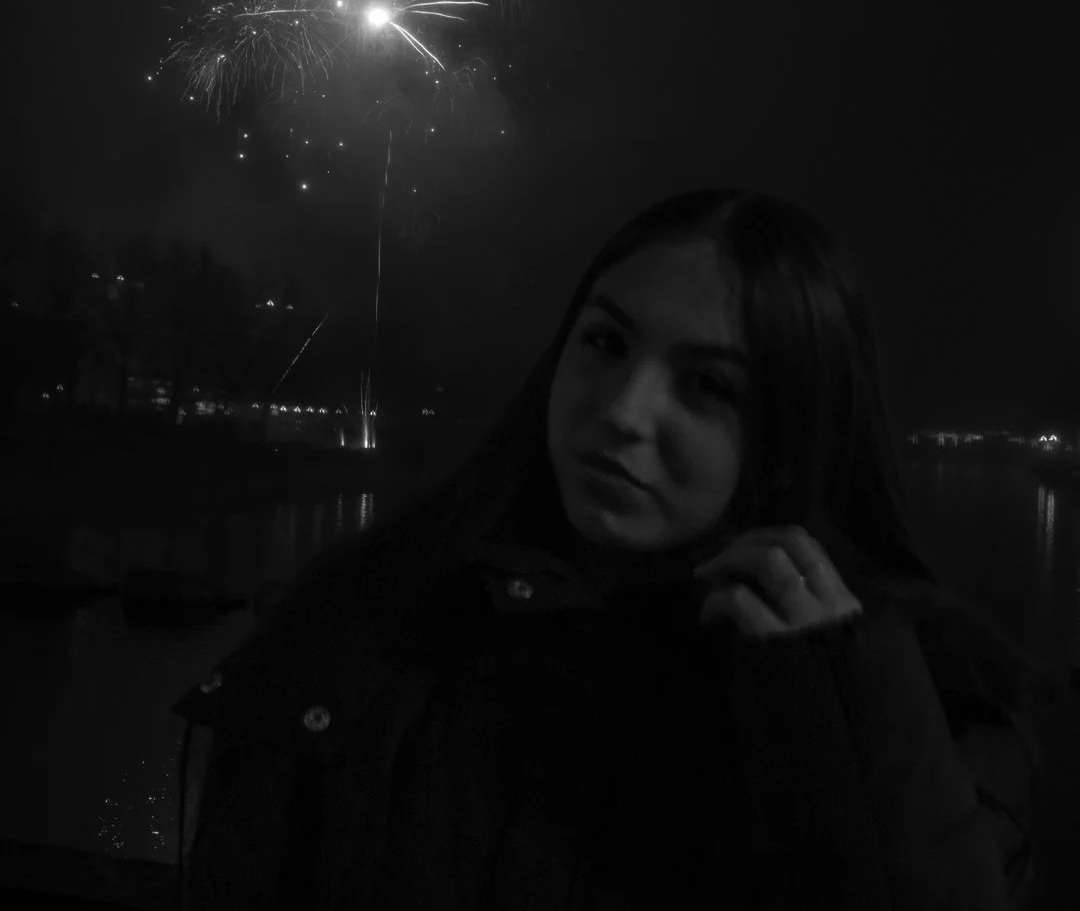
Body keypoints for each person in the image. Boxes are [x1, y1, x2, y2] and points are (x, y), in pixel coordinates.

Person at [171, 188, 1061, 909]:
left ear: (798, 429)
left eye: (707, 386)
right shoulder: (379, 611)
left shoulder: (935, 698)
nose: (623, 412)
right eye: (604, 343)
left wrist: (837, 700)